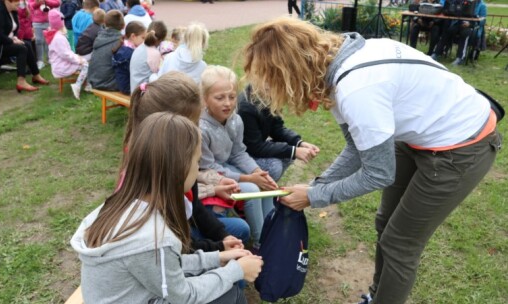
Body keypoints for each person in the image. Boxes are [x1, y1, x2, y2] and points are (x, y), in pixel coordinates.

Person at [242, 17, 501, 304]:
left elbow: (378, 173)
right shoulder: (339, 67)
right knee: (384, 222)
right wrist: (318, 184)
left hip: (463, 145)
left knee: (400, 243)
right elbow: (356, 148)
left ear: (291, 71)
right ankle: (378, 296)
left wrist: (314, 196)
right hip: (417, 137)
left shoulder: (356, 89)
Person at [71, 112, 263, 304]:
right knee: (230, 295)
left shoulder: (121, 205)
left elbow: (167, 266)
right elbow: (184, 296)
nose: (198, 169)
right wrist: (235, 271)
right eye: (197, 162)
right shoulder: (154, 237)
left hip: (130, 294)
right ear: (179, 169)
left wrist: (217, 258)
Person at [121, 71, 246, 253]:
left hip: (183, 235)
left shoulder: (174, 157)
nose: (196, 129)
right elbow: (179, 248)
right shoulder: (156, 179)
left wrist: (222, 236)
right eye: (193, 122)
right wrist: (219, 250)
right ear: (167, 124)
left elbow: (193, 203)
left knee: (238, 230)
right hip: (176, 249)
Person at [199, 65, 278, 250]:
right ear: (205, 99)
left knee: (265, 182)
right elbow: (208, 167)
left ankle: (272, 232)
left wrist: (258, 171)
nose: (227, 103)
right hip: (209, 176)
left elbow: (239, 152)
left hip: (227, 167)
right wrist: (249, 178)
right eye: (219, 98)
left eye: (232, 97)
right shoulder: (201, 129)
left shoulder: (236, 120)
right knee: (251, 188)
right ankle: (261, 242)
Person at [237, 84, 320, 181]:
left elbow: (277, 128)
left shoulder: (269, 96)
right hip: (242, 154)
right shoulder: (246, 107)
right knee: (274, 167)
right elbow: (255, 147)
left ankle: (269, 188)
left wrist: (299, 143)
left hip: (254, 148)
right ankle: (260, 190)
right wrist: (293, 151)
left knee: (288, 155)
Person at [0, 0, 49, 92]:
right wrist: (12, 41)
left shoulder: (12, 9)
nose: (19, 2)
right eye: (16, 1)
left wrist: (14, 38)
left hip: (1, 41)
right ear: (7, 1)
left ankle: (36, 75)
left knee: (27, 45)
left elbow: (12, 29)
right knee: (21, 49)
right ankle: (21, 81)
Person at [45, 9, 89, 100]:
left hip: (60, 63)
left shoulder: (54, 35)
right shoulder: (58, 38)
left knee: (84, 60)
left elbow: (66, 53)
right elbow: (66, 55)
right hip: (62, 66)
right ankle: (77, 85)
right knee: (86, 65)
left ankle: (87, 84)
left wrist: (77, 57)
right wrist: (78, 60)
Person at [432, 0, 487, 65]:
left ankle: (460, 58)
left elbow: (483, 20)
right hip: (459, 23)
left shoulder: (482, 5)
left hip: (473, 26)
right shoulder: (465, 2)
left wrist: (469, 24)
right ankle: (436, 53)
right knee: (447, 31)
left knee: (465, 34)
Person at [87, 9, 124, 91]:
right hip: (108, 84)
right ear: (123, 26)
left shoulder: (99, 37)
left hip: (93, 80)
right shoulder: (121, 41)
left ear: (104, 23)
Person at [129, 20, 166, 93]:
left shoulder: (139, 47)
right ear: (161, 40)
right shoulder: (154, 53)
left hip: (134, 90)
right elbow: (159, 74)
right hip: (144, 94)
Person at [112, 21, 146, 95]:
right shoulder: (129, 53)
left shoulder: (124, 47)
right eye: (143, 38)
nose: (144, 41)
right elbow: (137, 72)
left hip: (123, 85)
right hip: (128, 87)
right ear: (133, 36)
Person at [28, 0, 59, 69]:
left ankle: (50, 58)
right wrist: (37, 3)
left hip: (49, 21)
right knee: (38, 41)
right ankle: (40, 61)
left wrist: (46, 1)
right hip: (36, 22)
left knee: (49, 41)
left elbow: (57, 3)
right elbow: (29, 6)